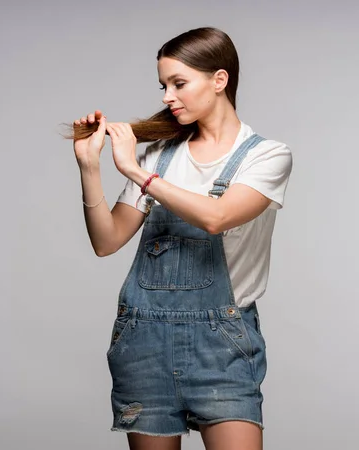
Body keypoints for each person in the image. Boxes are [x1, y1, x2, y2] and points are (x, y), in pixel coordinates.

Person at [69, 27, 292, 450]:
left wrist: (136, 173)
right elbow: (106, 241)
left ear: (219, 80)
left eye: (179, 83)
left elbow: (217, 217)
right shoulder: (160, 155)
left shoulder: (266, 156)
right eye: (164, 86)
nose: (167, 96)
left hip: (223, 345)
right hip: (144, 341)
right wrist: (89, 169)